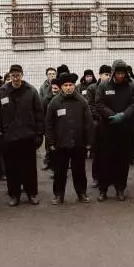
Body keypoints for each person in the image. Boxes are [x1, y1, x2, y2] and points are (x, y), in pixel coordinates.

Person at [0, 64, 45, 207]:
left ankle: (31, 193)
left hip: (28, 137)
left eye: (18, 75)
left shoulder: (31, 91)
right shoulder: (2, 92)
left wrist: (39, 133)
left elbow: (39, 113)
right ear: (9, 76)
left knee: (29, 168)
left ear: (22, 75)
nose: (15, 78)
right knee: (11, 168)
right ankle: (14, 195)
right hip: (9, 138)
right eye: (13, 75)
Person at [94, 59, 134, 202]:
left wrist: (123, 115)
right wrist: (111, 115)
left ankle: (120, 188)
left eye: (123, 73)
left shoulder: (133, 86)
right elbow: (99, 103)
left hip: (125, 129)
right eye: (118, 73)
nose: (120, 76)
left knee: (122, 161)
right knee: (105, 160)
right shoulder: (103, 85)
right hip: (107, 128)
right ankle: (103, 189)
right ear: (113, 73)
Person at [46, 71, 94, 204]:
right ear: (61, 87)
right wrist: (51, 142)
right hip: (60, 144)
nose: (68, 87)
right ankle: (58, 195)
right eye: (65, 85)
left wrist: (89, 142)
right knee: (59, 172)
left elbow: (88, 123)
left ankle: (81, 193)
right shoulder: (55, 102)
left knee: (79, 171)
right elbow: (49, 124)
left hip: (79, 143)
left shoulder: (82, 101)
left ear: (74, 86)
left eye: (70, 85)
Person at [89, 65, 111, 187]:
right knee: (97, 153)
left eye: (110, 75)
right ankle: (96, 178)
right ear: (100, 75)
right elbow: (91, 105)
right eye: (106, 74)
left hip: (110, 124)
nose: (108, 77)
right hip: (98, 124)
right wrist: (101, 117)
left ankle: (109, 177)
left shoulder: (112, 87)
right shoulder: (92, 88)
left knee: (110, 152)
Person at [41, 77, 62, 172]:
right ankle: (49, 163)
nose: (54, 90)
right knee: (48, 147)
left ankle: (57, 168)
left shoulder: (62, 99)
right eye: (53, 88)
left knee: (58, 150)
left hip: (60, 128)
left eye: (56, 88)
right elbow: (42, 114)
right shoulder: (46, 99)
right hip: (49, 128)